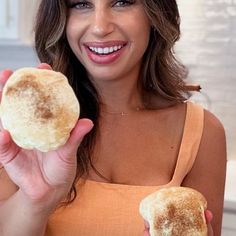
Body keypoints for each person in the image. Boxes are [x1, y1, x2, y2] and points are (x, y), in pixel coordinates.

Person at [0, 0, 226, 235]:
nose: (100, 27)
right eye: (81, 4)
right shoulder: (20, 126)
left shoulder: (203, 132)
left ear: (155, 14)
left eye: (122, 2)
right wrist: (36, 199)